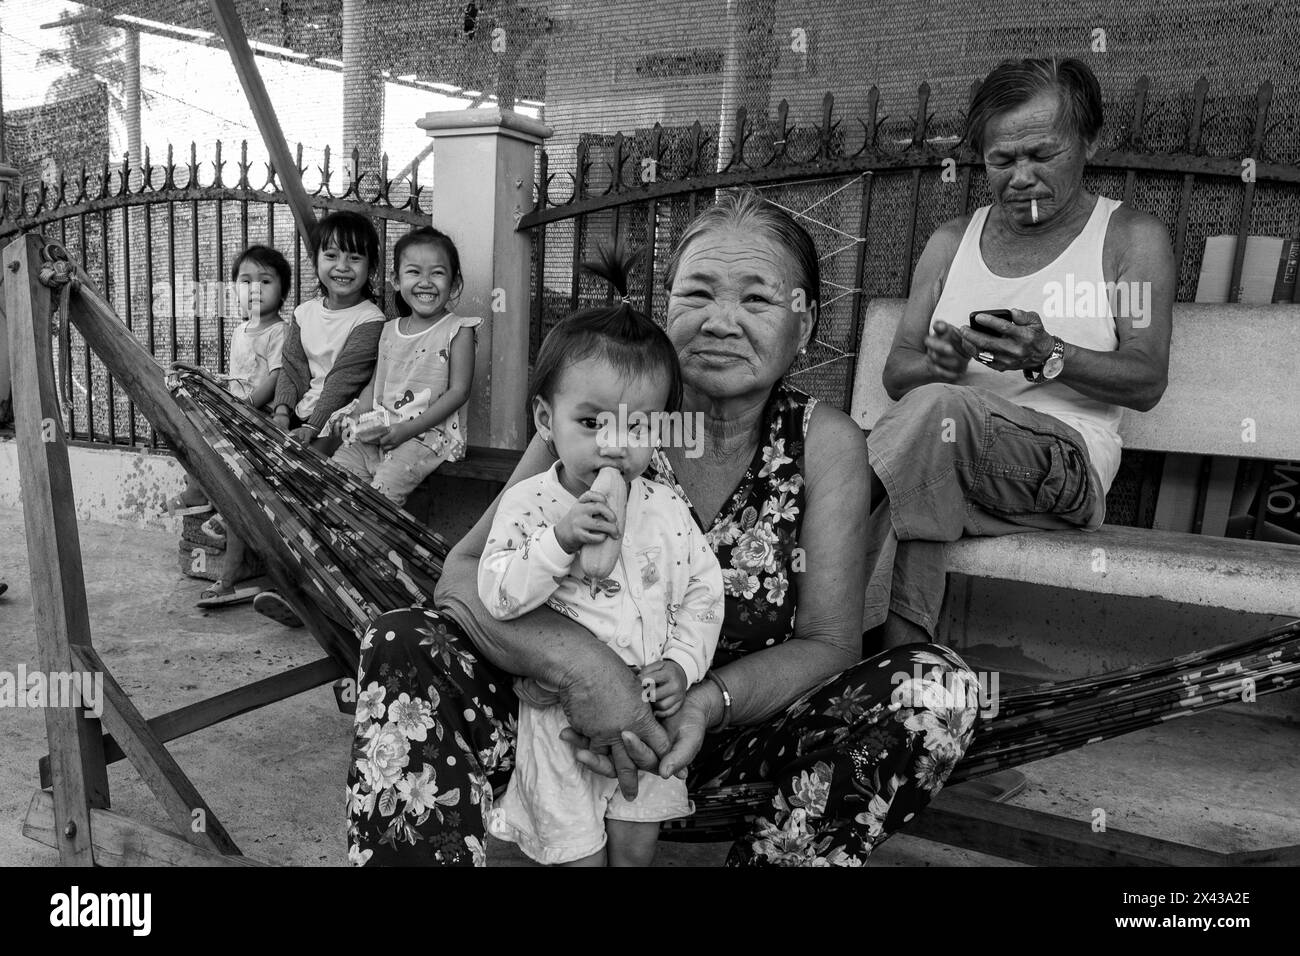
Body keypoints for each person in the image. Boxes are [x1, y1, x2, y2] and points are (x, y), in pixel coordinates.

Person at [345, 187, 982, 867]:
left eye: (757, 300)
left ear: (803, 324)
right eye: (697, 294)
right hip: (554, 728)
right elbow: (464, 577)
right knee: (402, 639)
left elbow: (829, 644)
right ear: (666, 307)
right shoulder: (596, 423)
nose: (720, 321)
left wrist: (705, 703)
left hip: (726, 741)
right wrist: (587, 675)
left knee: (935, 689)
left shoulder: (825, 444)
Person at [870, 56, 1174, 647]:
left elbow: (1145, 380)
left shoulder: (1128, 240)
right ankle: (901, 677)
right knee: (923, 497)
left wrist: (1048, 352)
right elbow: (897, 372)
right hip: (942, 459)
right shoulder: (951, 244)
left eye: (1042, 155)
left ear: (1089, 141)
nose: (1021, 177)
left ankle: (819, 652)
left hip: (1065, 467)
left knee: (911, 439)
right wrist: (944, 360)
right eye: (1002, 160)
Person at [478, 248, 724, 866]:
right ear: (545, 418)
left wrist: (682, 664)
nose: (614, 445)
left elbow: (703, 590)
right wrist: (559, 542)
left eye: (638, 426)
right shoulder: (530, 504)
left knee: (635, 846)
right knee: (573, 853)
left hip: (649, 713)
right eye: (591, 422)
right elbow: (498, 594)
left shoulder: (666, 508)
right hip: (557, 721)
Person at [253, 211, 385, 627]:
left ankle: (314, 595)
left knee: (312, 499)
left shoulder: (371, 319)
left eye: (355, 258)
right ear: (317, 263)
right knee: (264, 487)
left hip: (339, 421)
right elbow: (291, 370)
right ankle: (290, 586)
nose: (342, 267)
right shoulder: (304, 313)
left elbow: (345, 380)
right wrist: (280, 413)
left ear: (371, 268)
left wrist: (312, 428)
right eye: (332, 255)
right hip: (299, 418)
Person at [164, 246, 290, 608]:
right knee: (186, 425)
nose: (255, 288)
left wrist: (244, 407)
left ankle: (228, 578)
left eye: (265, 281)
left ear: (282, 290)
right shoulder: (240, 330)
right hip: (234, 416)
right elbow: (240, 377)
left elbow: (278, 377)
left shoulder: (280, 332)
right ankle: (198, 489)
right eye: (245, 281)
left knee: (238, 505)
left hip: (258, 420)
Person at [329, 227, 480, 506]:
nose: (425, 281)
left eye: (437, 272)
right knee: (333, 482)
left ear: (455, 283)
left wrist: (409, 430)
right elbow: (375, 384)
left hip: (427, 436)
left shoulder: (459, 331)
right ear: (396, 280)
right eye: (414, 272)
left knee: (380, 501)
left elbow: (459, 392)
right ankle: (345, 547)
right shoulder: (388, 330)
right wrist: (354, 414)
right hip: (379, 431)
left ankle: (376, 548)